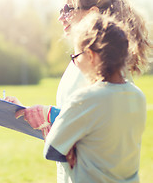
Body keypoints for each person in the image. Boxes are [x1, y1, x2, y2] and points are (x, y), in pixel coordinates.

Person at [6, 0, 151, 182]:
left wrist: (46, 115)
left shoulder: (98, 67)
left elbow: (96, 121)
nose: (60, 16)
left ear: (92, 13)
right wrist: (33, 113)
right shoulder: (96, 68)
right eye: (59, 10)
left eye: (68, 9)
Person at [43, 13, 146, 182]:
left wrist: (73, 148)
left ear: (90, 55)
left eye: (76, 57)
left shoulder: (85, 99)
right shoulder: (138, 96)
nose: (76, 64)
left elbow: (52, 150)